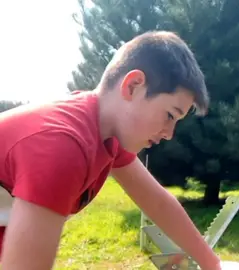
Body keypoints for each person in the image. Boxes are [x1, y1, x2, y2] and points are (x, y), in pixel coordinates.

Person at [0, 31, 225, 269]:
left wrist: (214, 265)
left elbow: (158, 203)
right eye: (169, 115)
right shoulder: (63, 144)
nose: (169, 133)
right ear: (133, 85)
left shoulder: (104, 134)